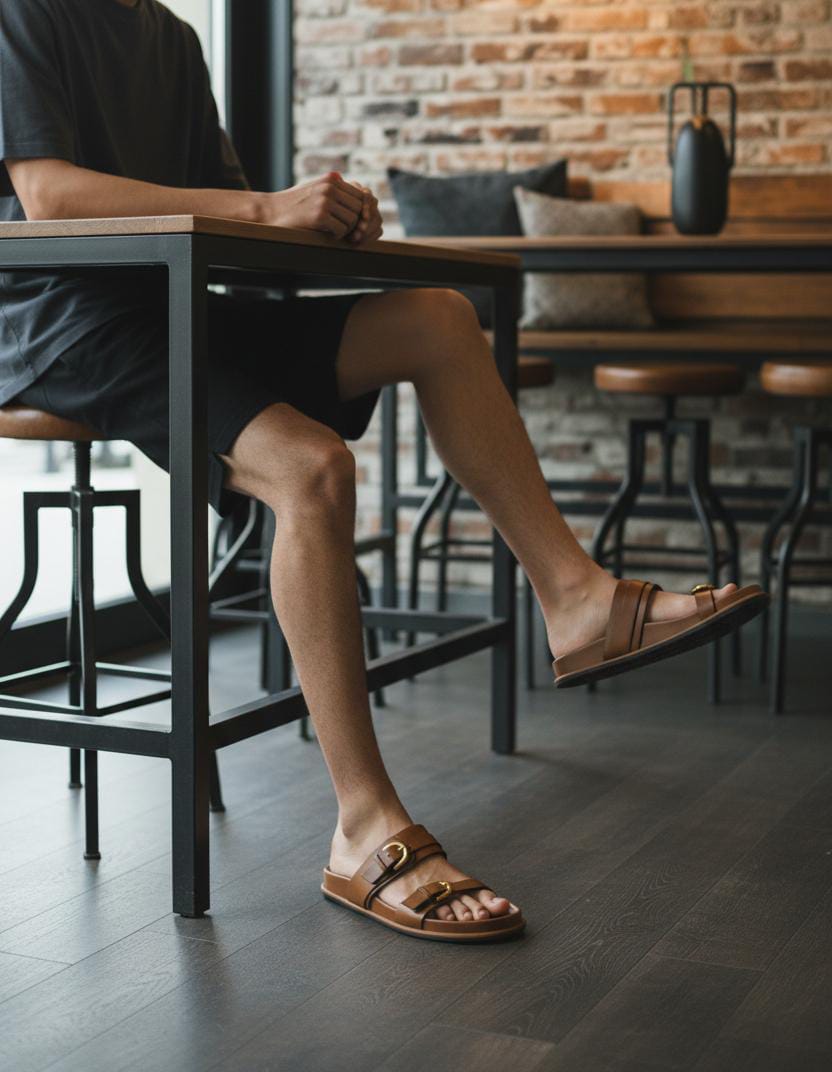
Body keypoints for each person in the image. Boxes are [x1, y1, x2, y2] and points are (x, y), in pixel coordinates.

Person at [0, 0, 766, 942]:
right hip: (58, 319)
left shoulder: (173, 36)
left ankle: (578, 601)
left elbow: (232, 224)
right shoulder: (26, 13)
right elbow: (47, 196)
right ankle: (364, 828)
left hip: (177, 303)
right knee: (313, 469)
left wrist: (315, 224)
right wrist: (263, 207)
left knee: (439, 317)